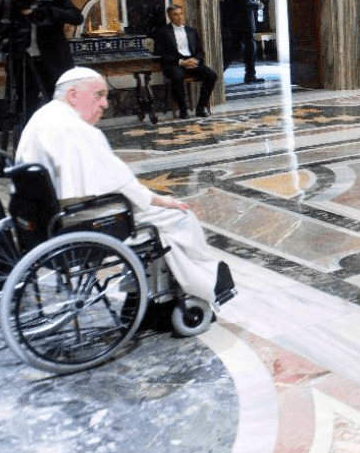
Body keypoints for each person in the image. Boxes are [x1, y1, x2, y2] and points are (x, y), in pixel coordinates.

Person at [16, 68, 234, 308]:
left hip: (52, 217)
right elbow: (121, 184)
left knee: (162, 217)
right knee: (179, 217)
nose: (105, 104)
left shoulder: (43, 116)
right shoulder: (74, 129)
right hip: (82, 217)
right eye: (98, 95)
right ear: (73, 94)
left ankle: (147, 289)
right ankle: (201, 285)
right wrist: (160, 200)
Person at [0, 0, 84, 123]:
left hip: (53, 60)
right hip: (23, 59)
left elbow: (77, 17)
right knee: (27, 104)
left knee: (59, 104)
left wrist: (51, 12)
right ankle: (29, 138)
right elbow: (0, 22)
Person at [152, 4, 218, 119]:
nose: (179, 17)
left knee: (211, 75)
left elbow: (200, 52)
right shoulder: (163, 32)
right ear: (170, 17)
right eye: (175, 15)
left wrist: (195, 60)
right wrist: (181, 62)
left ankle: (200, 107)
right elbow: (160, 55)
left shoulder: (192, 31)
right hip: (175, 64)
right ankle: (183, 110)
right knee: (177, 76)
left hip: (193, 63)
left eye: (181, 14)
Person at [222, 0, 264, 84]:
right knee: (251, 48)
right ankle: (250, 76)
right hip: (244, 23)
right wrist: (257, 5)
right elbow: (244, 4)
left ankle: (219, 69)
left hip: (234, 23)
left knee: (235, 48)